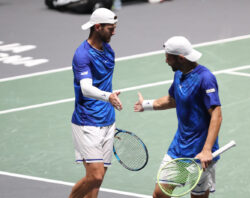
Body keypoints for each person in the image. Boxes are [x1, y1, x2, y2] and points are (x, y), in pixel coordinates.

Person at [134, 36, 223, 198]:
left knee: (198, 196)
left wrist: (207, 150)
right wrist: (146, 104)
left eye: (168, 57)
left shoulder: (206, 78)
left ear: (181, 58)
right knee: (160, 194)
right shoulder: (179, 75)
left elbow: (216, 115)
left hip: (200, 153)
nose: (166, 60)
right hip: (179, 148)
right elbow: (172, 99)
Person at [69, 8, 122, 198]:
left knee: (96, 184)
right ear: (97, 27)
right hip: (87, 121)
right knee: (95, 176)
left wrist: (109, 96)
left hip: (108, 119)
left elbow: (103, 83)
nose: (114, 32)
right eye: (110, 28)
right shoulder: (82, 55)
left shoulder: (109, 51)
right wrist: (107, 96)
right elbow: (86, 88)